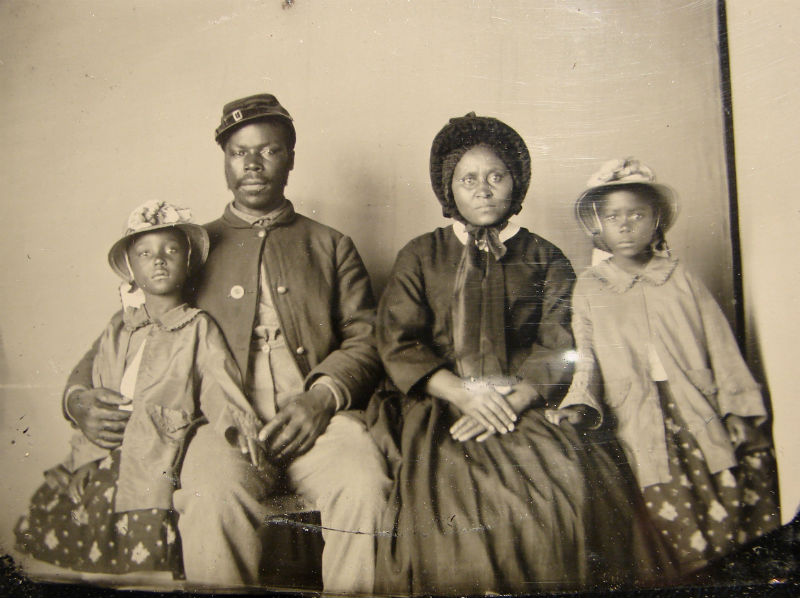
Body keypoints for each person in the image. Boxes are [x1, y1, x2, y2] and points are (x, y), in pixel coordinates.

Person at [60, 94, 392, 593]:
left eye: (269, 151)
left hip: (319, 424)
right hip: (220, 426)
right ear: (224, 159)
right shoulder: (191, 247)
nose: (253, 165)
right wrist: (79, 398)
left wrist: (319, 399)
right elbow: (132, 327)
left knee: (365, 483)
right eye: (239, 152)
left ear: (291, 159)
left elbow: (366, 340)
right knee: (210, 493)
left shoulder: (330, 244)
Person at [369, 114, 674, 595]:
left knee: (565, 488)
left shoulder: (545, 257)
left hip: (523, 402)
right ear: (449, 188)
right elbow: (398, 341)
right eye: (469, 179)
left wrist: (512, 402)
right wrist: (462, 394)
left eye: (497, 176)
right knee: (447, 506)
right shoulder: (420, 255)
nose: (484, 190)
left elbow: (559, 342)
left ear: (517, 182)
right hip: (440, 402)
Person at [546, 158, 780, 574]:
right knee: (664, 503)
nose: (625, 225)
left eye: (636, 214)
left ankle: (737, 572)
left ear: (656, 221)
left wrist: (737, 407)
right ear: (597, 225)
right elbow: (587, 357)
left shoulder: (679, 276)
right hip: (638, 413)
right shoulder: (591, 287)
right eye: (613, 216)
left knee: (724, 484)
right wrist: (579, 402)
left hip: (695, 405)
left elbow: (720, 345)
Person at [15, 201, 268, 576]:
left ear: (188, 262)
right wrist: (84, 457)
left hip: (157, 453)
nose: (160, 261)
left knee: (147, 559)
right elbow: (98, 391)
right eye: (146, 254)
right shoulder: (119, 328)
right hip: (110, 454)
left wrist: (239, 426)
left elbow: (218, 384)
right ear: (132, 269)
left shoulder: (198, 327)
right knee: (86, 538)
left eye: (171, 251)